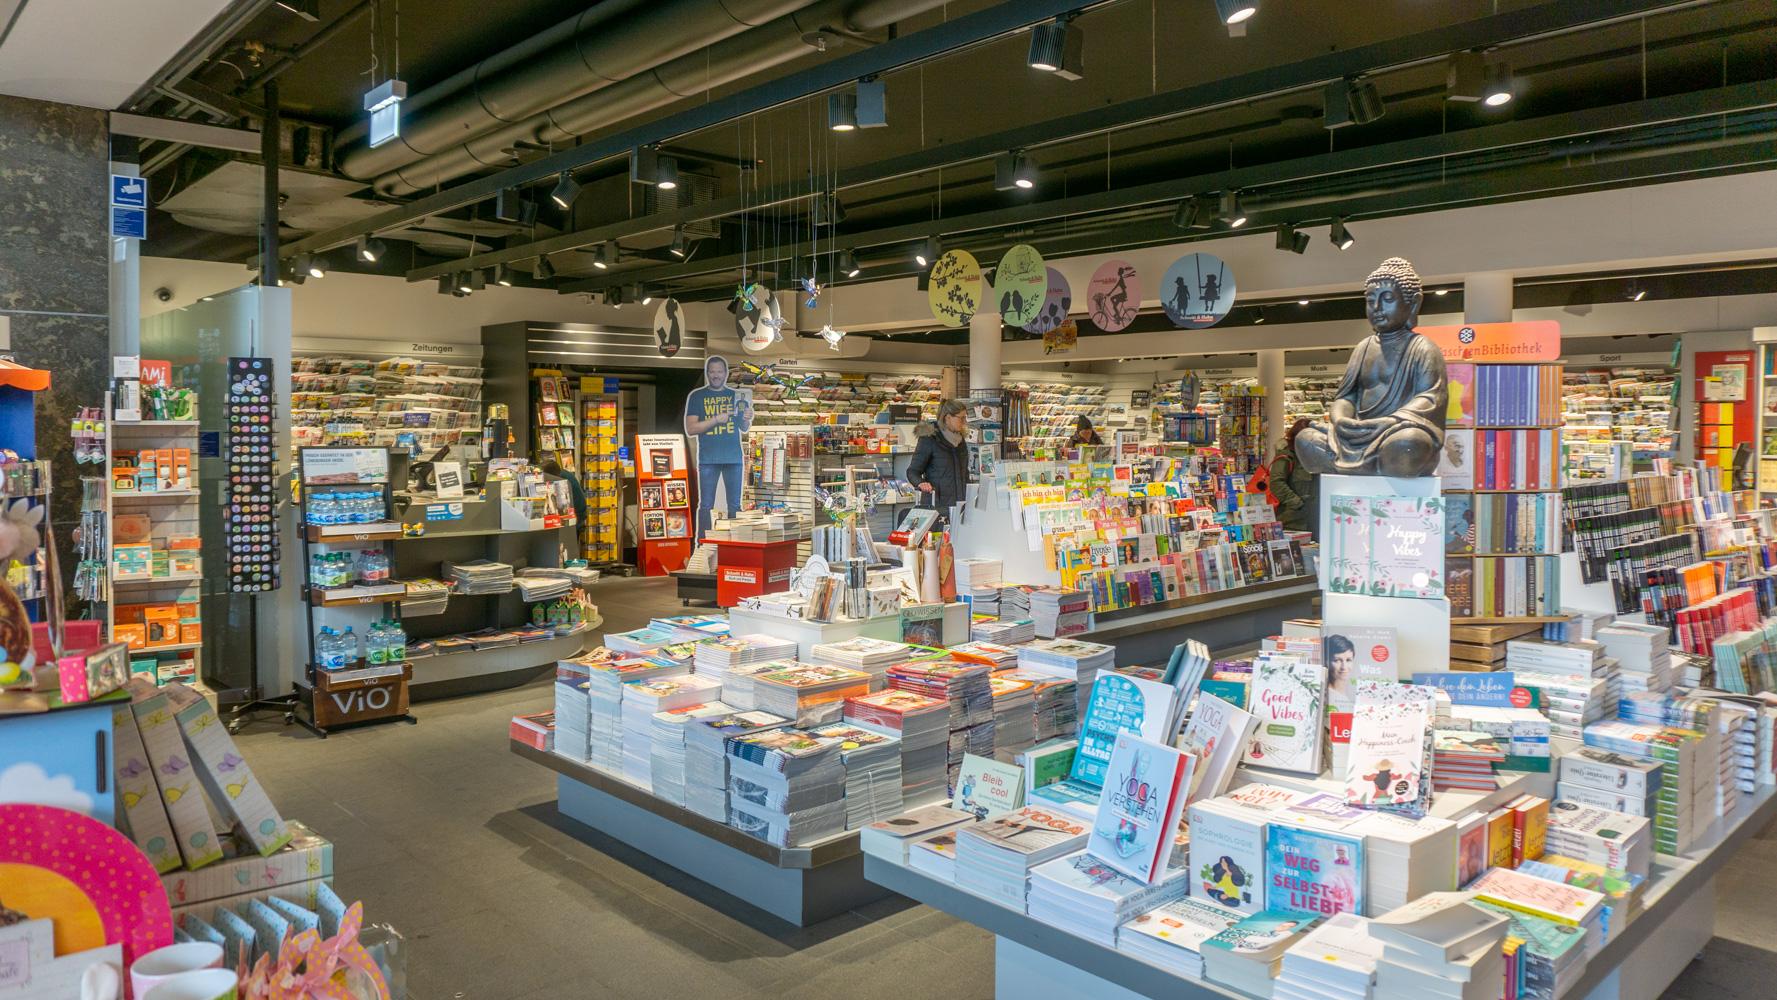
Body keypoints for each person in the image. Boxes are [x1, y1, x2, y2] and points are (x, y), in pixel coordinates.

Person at [1295, 257, 1448, 477]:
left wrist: (1390, 422)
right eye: (1370, 300)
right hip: (1356, 434)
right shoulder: (1364, 348)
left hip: (1395, 430)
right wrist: (1341, 421)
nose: (1376, 308)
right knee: (1306, 439)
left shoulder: (1422, 348)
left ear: (1413, 302)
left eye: (1387, 299)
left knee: (1408, 444)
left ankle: (1376, 464)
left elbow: (1431, 397)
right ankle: (1370, 465)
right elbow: (1346, 396)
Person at [683, 354, 753, 535]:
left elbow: (743, 427)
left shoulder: (735, 395)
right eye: (712, 372)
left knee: (735, 505)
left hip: (734, 458)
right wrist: (716, 420)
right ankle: (702, 543)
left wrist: (746, 419)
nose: (716, 375)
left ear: (725, 373)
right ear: (707, 373)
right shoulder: (697, 396)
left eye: (719, 372)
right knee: (706, 505)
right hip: (708, 459)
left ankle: (736, 542)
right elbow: (691, 428)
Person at [908, 399, 970, 524]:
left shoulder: (960, 441)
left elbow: (964, 472)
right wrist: (921, 483)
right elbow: (912, 471)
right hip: (938, 507)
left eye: (965, 418)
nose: (964, 422)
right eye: (961, 418)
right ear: (948, 418)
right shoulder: (929, 439)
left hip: (961, 506)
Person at [1269, 417, 1317, 533]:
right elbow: (1276, 482)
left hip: (1314, 520)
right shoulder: (1287, 455)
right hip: (1293, 521)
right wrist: (1297, 503)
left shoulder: (1316, 456)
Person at [540, 459, 587, 528]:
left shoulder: (562, 480)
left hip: (577, 515)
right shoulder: (560, 473)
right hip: (576, 512)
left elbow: (563, 506)